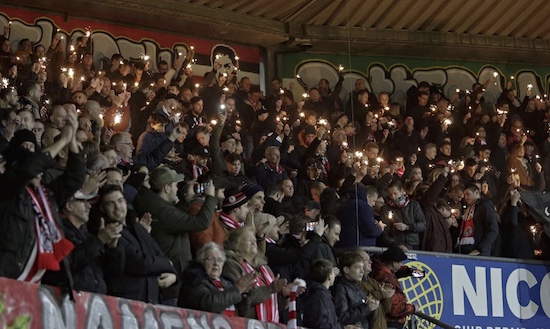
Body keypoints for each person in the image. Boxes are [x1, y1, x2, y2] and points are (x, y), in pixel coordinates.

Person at [0, 107, 84, 283]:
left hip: (38, 283)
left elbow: (75, 178)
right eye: (37, 169)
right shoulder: (8, 190)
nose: (40, 173)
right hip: (9, 278)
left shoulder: (46, 195)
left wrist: (72, 140)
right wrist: (61, 143)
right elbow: (30, 168)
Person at [133, 166, 217, 306]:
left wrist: (185, 201)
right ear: (166, 188)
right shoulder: (162, 210)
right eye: (175, 185)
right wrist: (211, 197)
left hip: (173, 276)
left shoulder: (156, 205)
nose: (178, 189)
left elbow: (175, 220)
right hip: (171, 285)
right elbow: (200, 223)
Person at [98, 184, 177, 303]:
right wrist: (168, 264)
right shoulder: (109, 233)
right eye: (110, 203)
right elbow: (141, 263)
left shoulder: (137, 227)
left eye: (120, 201)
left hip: (152, 302)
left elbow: (158, 253)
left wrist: (173, 274)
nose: (117, 206)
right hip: (126, 305)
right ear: (102, 209)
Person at [178, 242, 255, 315]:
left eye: (219, 260)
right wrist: (237, 290)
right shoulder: (194, 280)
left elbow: (241, 312)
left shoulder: (227, 282)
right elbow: (210, 304)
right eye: (210, 259)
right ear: (201, 261)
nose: (216, 264)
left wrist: (244, 294)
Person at [370, 245, 417, 329]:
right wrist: (412, 308)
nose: (402, 264)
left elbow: (393, 272)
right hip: (391, 323)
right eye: (400, 262)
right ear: (394, 263)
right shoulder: (386, 278)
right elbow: (394, 308)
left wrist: (406, 271)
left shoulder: (379, 268)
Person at [333, 251, 379, 328]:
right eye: (358, 267)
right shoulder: (341, 289)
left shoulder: (357, 286)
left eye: (362, 267)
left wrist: (371, 307)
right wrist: (367, 308)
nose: (362, 271)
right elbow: (342, 316)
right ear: (346, 270)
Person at [456, 183, 499, 256]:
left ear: (476, 193)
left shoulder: (485, 206)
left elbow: (493, 229)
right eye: (464, 195)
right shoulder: (467, 209)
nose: (465, 197)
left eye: (468, 194)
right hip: (466, 252)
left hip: (479, 253)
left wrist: (480, 249)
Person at [302, 259, 340, 329]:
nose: (334, 276)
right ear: (329, 276)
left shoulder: (322, 293)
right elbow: (320, 323)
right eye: (333, 273)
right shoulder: (320, 295)